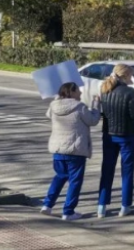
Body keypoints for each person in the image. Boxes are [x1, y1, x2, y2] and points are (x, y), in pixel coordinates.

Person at [40, 83, 101, 220]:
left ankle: (47, 205)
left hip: (58, 149)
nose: (80, 93)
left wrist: (57, 98)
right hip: (75, 149)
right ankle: (68, 212)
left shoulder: (54, 105)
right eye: (78, 91)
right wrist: (96, 105)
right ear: (71, 92)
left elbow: (48, 114)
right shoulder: (80, 107)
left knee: (60, 176)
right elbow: (93, 120)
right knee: (75, 181)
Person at [97, 64, 134, 218]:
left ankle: (101, 206)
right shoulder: (130, 92)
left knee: (107, 170)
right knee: (127, 172)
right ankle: (125, 206)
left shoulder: (104, 90)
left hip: (108, 134)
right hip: (127, 135)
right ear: (126, 76)